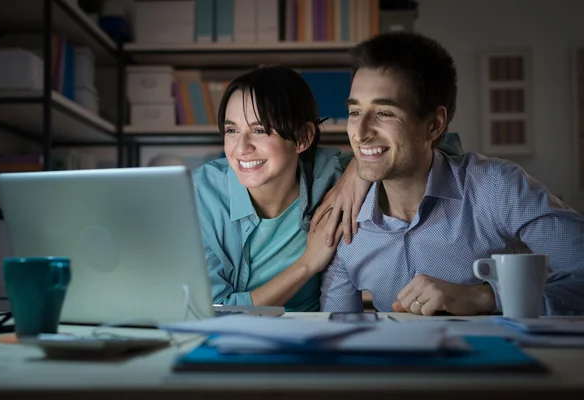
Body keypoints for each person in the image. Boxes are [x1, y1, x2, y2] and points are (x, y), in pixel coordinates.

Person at [320, 32, 584, 316]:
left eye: (384, 113)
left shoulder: (495, 188)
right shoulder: (344, 221)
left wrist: (484, 298)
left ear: (434, 125)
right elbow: (336, 341)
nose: (359, 134)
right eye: (355, 112)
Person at [193, 65, 463, 312]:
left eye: (260, 130)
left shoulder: (327, 176)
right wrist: (307, 264)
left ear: (303, 138)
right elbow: (215, 310)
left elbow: (436, 145)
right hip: (227, 341)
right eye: (231, 131)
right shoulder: (200, 194)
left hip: (307, 341)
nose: (241, 148)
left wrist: (356, 172)